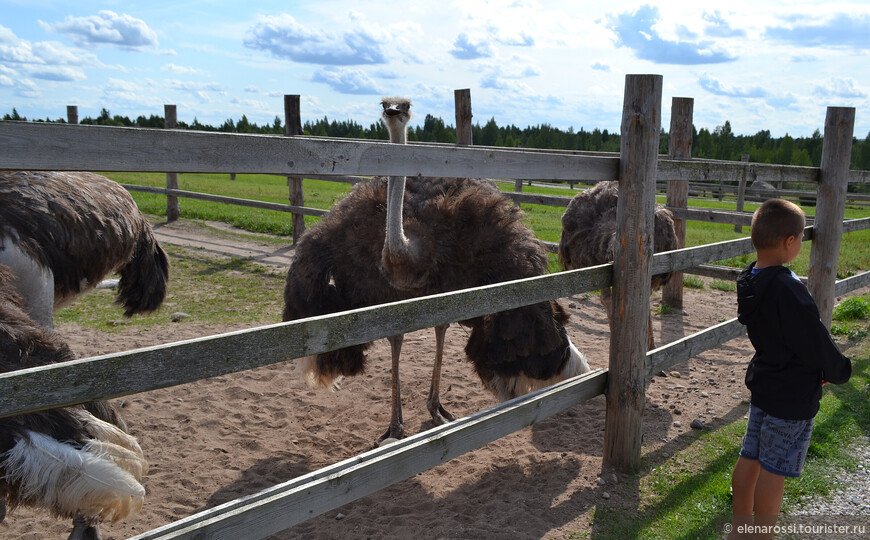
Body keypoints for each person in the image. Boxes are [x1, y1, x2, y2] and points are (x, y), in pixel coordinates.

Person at [728, 199, 852, 540]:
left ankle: (739, 529)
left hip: (765, 384)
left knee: (749, 456)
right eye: (800, 238)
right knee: (774, 469)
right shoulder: (788, 288)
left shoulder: (750, 280)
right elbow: (813, 338)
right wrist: (839, 369)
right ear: (789, 242)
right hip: (792, 396)